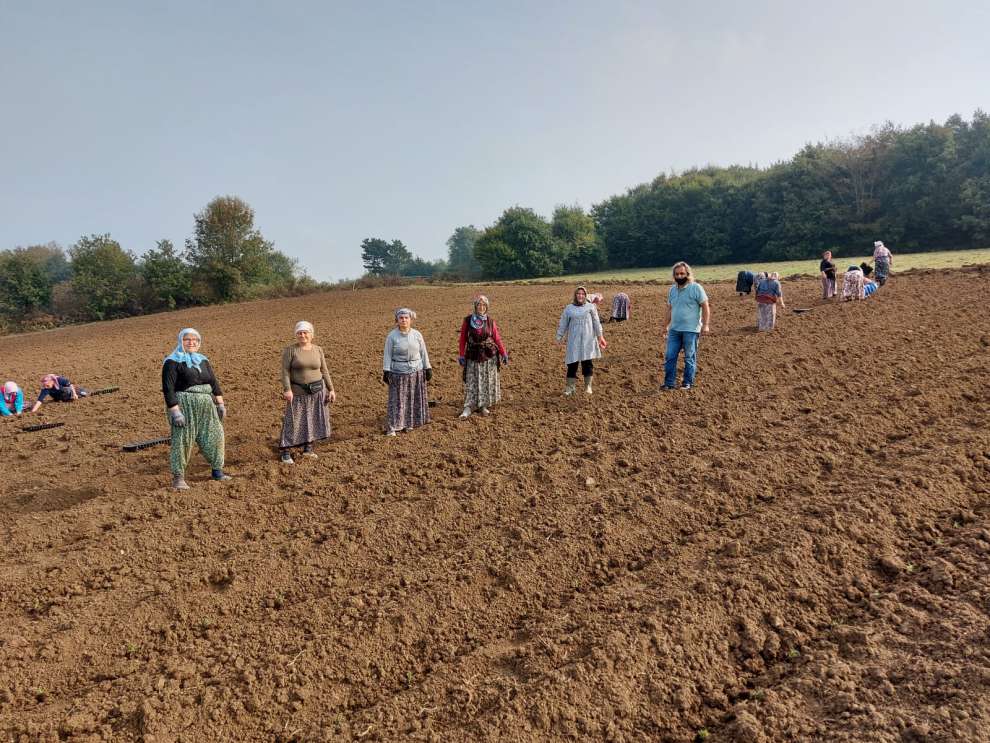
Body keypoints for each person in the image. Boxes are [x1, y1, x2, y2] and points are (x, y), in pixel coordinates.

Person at [162, 328, 229, 490]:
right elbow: (168, 388)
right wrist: (175, 411)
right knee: (182, 440)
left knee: (215, 435)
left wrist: (220, 403)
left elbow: (213, 382)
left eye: (195, 340)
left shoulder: (203, 360)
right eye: (187, 339)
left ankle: (217, 471)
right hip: (185, 405)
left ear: (199, 343)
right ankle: (178, 478)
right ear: (180, 341)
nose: (191, 342)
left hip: (207, 404)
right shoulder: (172, 362)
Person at [279, 321, 336, 464]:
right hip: (298, 392)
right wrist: (287, 389)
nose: (302, 335)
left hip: (317, 391)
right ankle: (286, 450)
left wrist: (331, 389)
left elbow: (324, 370)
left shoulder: (318, 350)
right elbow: (285, 372)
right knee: (293, 420)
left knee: (312, 419)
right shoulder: (291, 350)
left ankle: (308, 448)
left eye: (305, 332)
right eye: (299, 333)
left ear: (311, 334)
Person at [382, 308, 432, 436]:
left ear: (410, 320)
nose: (404, 320)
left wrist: (428, 367)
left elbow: (423, 352)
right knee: (397, 400)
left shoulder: (417, 334)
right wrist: (386, 371)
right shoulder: (392, 336)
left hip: (416, 371)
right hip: (399, 372)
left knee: (412, 398)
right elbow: (387, 354)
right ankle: (393, 426)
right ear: (397, 320)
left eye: (406, 318)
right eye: (401, 318)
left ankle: (409, 423)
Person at [457, 295, 508, 419]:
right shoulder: (468, 320)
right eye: (479, 305)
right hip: (473, 355)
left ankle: (483, 405)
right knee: (472, 381)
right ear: (475, 306)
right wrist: (461, 355)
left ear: (487, 307)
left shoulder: (490, 321)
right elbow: (463, 338)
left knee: (485, 381)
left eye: (484, 305)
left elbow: (497, 338)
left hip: (487, 355)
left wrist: (503, 352)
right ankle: (469, 407)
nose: (481, 307)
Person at [662, 262, 711, 390]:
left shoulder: (696, 288)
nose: (679, 276)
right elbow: (669, 309)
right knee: (670, 357)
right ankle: (669, 383)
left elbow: (705, 306)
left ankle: (688, 382)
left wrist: (705, 325)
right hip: (674, 330)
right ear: (674, 275)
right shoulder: (672, 290)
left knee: (689, 357)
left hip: (691, 330)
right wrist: (665, 326)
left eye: (682, 273)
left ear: (687, 274)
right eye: (677, 274)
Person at [555, 286, 607, 396]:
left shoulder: (591, 307)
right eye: (578, 293)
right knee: (572, 363)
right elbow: (563, 323)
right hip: (574, 340)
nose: (580, 296)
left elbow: (596, 323)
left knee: (587, 363)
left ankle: (588, 386)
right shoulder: (569, 308)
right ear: (575, 295)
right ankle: (570, 387)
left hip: (588, 340)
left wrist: (600, 337)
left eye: (583, 294)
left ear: (585, 295)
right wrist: (559, 337)